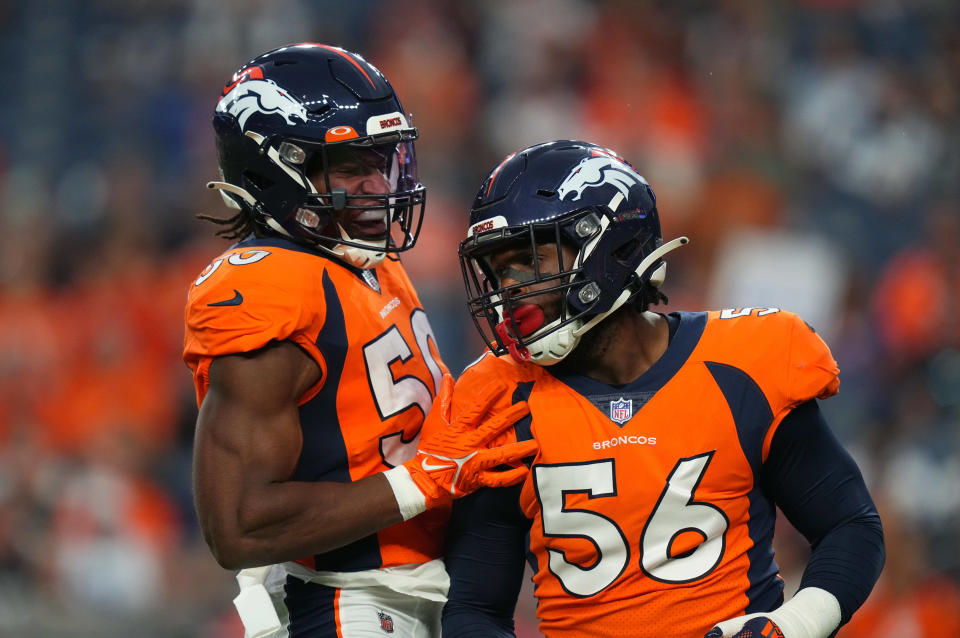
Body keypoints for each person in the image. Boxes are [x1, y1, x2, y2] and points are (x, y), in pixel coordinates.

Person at [442, 140, 885, 638]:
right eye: (499, 270)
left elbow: (850, 527)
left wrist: (791, 626)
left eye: (530, 259)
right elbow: (475, 610)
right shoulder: (499, 397)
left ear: (610, 247)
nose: (509, 289)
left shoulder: (742, 363)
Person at [183, 43, 534, 638]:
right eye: (350, 166)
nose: (379, 184)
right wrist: (421, 482)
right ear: (277, 168)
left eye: (382, 160)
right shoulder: (267, 286)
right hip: (346, 603)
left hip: (417, 591)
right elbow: (238, 525)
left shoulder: (365, 261)